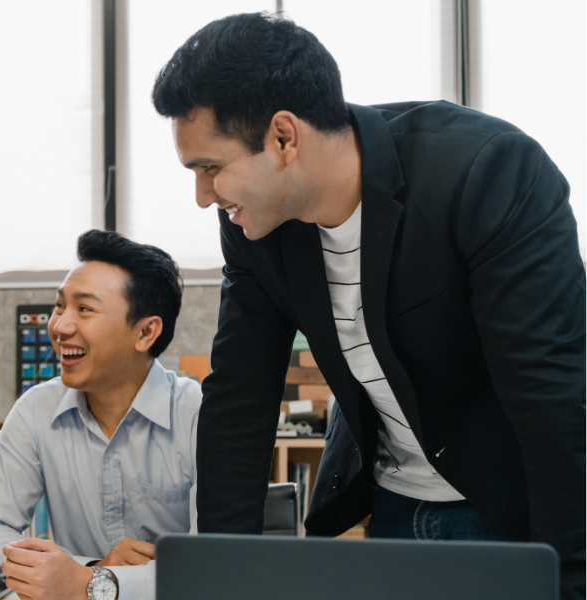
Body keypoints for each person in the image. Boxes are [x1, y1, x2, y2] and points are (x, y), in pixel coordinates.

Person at [151, 12, 586, 599]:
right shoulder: (257, 228)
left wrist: (570, 580)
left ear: (284, 137)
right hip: (392, 508)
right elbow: (237, 402)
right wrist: (225, 580)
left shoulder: (487, 171)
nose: (203, 197)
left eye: (210, 168)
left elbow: (554, 398)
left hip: (514, 510)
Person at [0, 230, 199, 600]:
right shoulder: (36, 410)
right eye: (60, 306)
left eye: (84, 309)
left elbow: (216, 564)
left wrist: (89, 583)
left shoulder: (199, 416)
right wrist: (88, 571)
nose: (59, 326)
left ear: (146, 332)